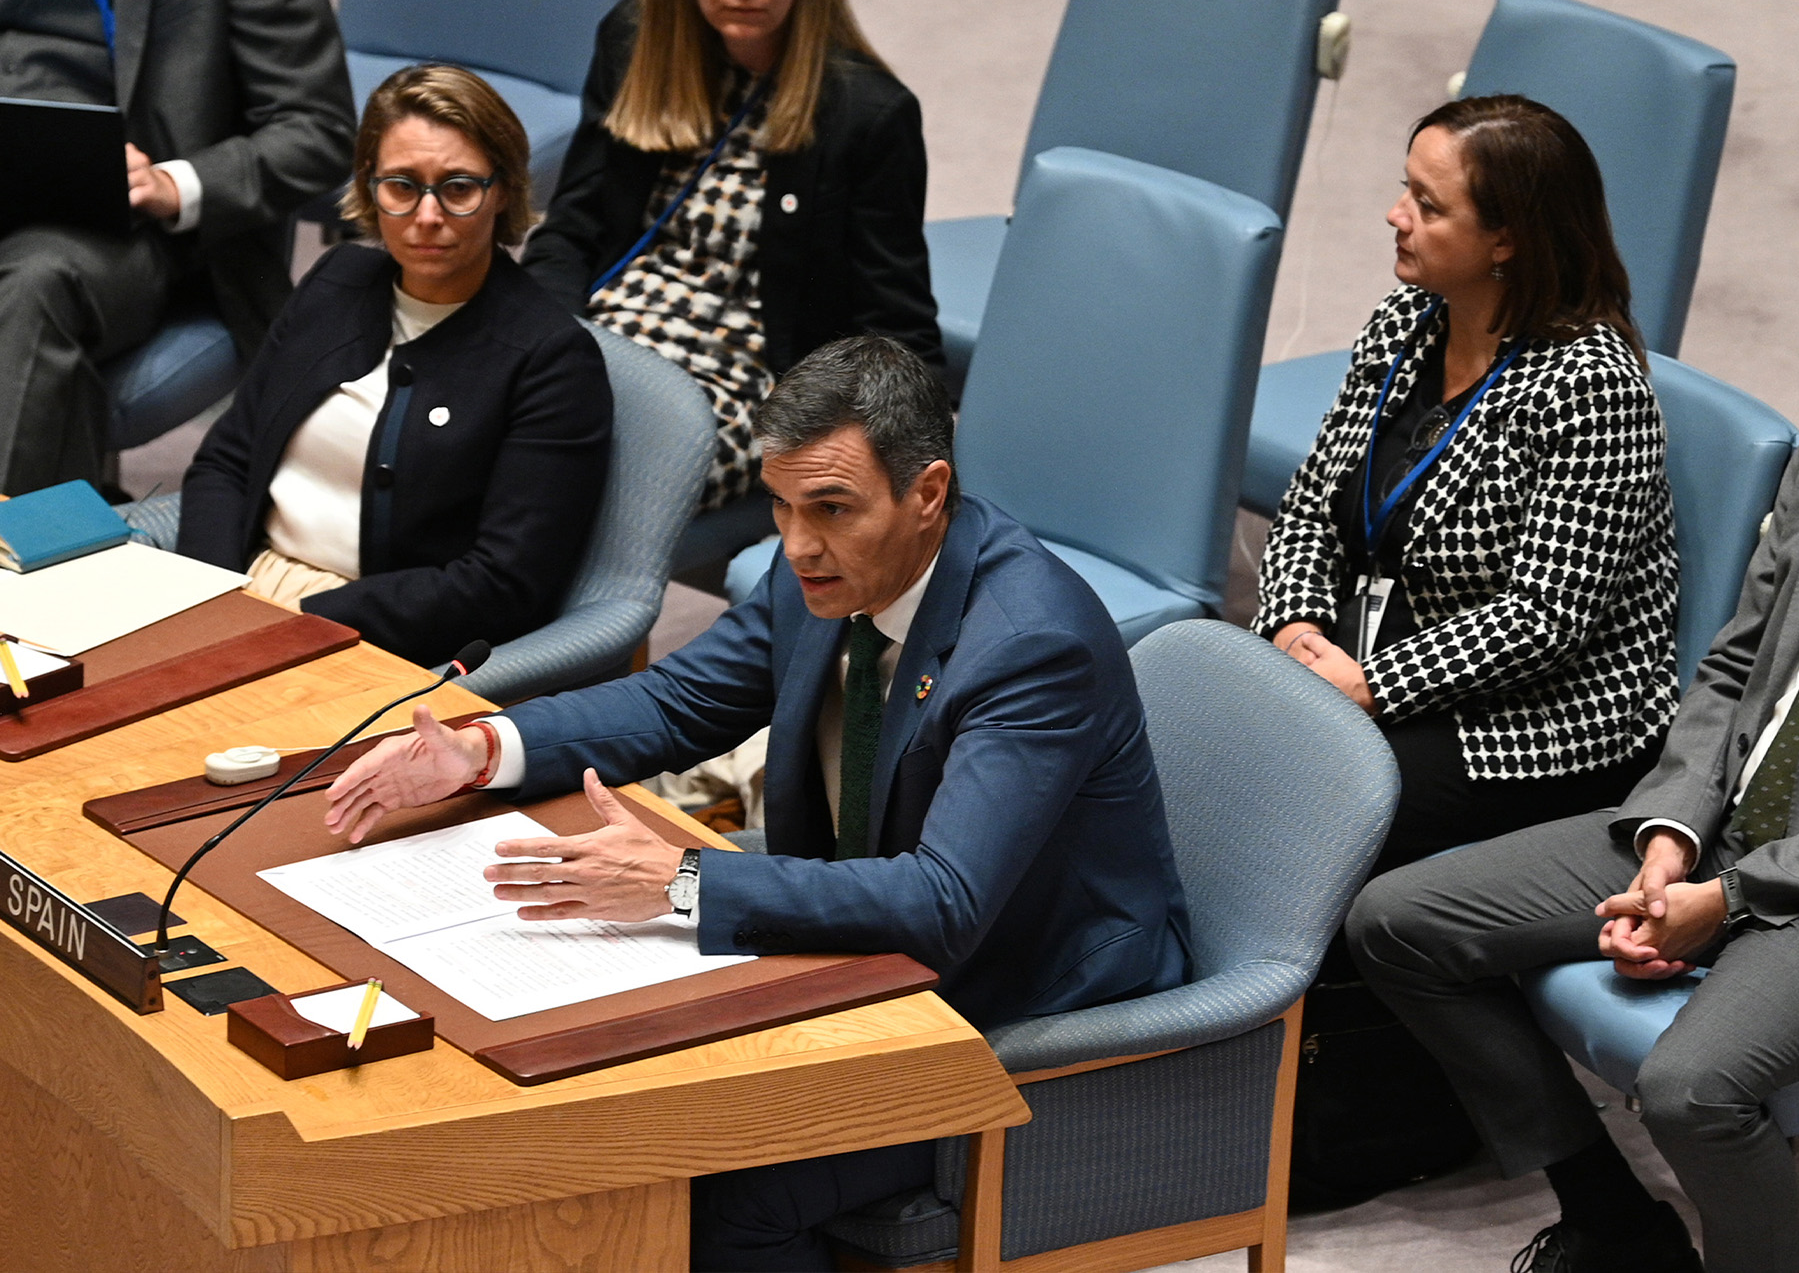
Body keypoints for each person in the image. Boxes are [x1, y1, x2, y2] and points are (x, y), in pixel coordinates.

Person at [320, 334, 1191, 1270]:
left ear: (929, 493)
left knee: (714, 1188)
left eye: (830, 509)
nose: (797, 542)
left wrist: (686, 880)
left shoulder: (1027, 645)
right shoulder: (820, 566)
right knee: (589, 1131)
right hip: (858, 959)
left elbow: (947, 902)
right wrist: (487, 749)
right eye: (779, 505)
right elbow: (681, 697)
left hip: (1025, 1006)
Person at [1349, 159, 1799, 1273]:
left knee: (1692, 1087)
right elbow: (1737, 662)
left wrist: (1727, 897)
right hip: (1731, 825)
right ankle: (1614, 1222)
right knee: (1397, 922)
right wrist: (1673, 829)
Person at [1251, 95, 1678, 1203]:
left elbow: (1548, 617)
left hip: (1548, 719)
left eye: (1425, 204)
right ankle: (1268, 1072)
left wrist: (1369, 682)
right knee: (1238, 769)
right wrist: (1294, 625)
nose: (1393, 216)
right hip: (1382, 672)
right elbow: (1309, 513)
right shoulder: (1405, 326)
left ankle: (1397, 1108)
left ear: (1506, 238)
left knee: (1339, 820)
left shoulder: (1590, 385)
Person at [175, 64, 613, 667]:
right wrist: (209, 595)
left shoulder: (551, 360)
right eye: (402, 186)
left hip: (374, 634)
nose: (427, 216)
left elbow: (505, 583)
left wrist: (301, 624)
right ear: (369, 186)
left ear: (503, 190)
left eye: (458, 188)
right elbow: (227, 459)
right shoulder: (335, 281)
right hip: (239, 591)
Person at [523, 0, 942, 514]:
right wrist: (540, 338)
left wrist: (893, 461)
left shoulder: (867, 114)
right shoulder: (634, 43)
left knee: (569, 478)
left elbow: (898, 327)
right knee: (457, 421)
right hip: (601, 338)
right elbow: (572, 225)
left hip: (746, 385)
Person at [0, 0, 353, 496]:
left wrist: (174, 183)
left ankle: (13, 555)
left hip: (130, 225)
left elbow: (319, 130)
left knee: (35, 285)